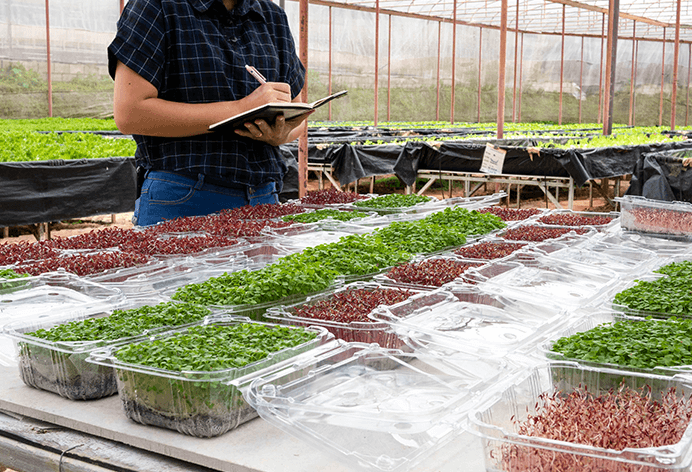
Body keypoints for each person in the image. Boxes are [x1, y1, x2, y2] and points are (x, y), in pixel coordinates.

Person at [108, 0, 309, 226]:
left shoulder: (273, 17)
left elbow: (298, 114)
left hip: (263, 197)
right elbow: (130, 113)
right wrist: (241, 108)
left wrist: (281, 133)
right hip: (183, 196)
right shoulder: (158, 6)